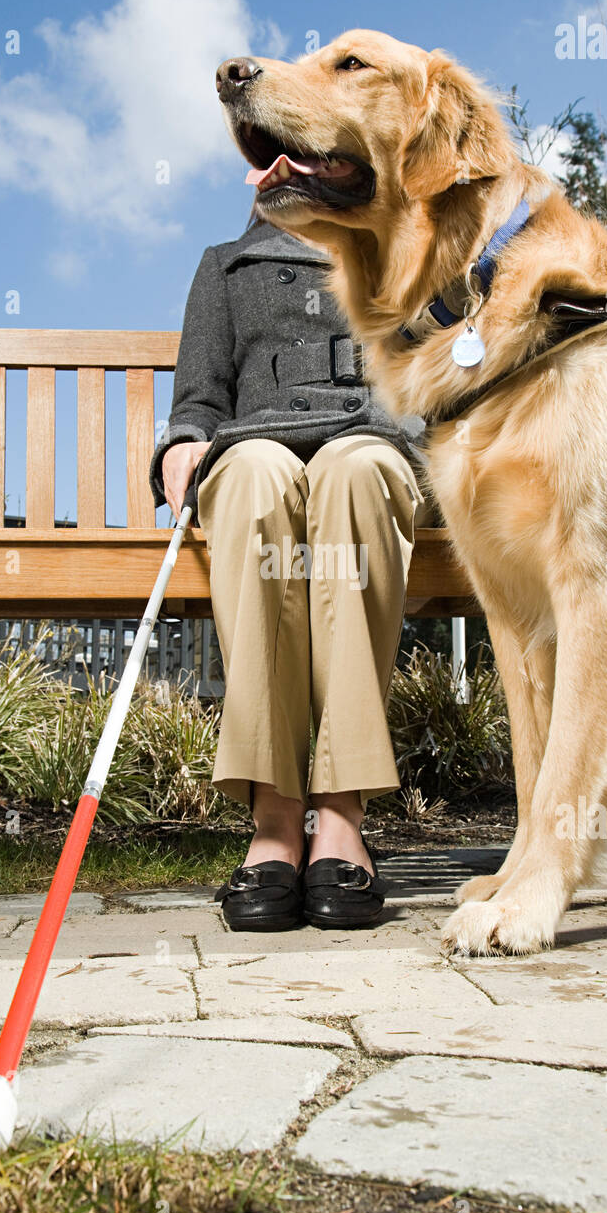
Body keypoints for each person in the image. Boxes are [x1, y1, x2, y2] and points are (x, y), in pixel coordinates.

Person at [149, 217, 428, 931]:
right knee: (252, 474)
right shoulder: (225, 263)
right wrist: (183, 442)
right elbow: (200, 400)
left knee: (357, 469)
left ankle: (340, 816)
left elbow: (432, 380)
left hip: (370, 441)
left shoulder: (401, 251)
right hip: (255, 448)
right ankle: (276, 817)